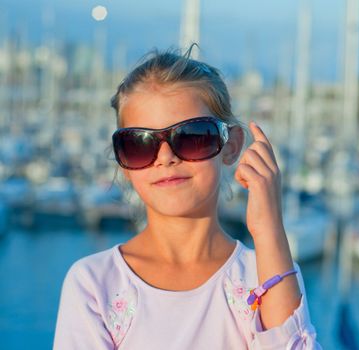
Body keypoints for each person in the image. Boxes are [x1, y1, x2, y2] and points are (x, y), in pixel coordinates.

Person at [53, 45, 321, 349]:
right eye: (140, 144)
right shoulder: (94, 284)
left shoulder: (268, 273)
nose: (165, 157)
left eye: (192, 137)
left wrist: (269, 228)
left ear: (231, 146)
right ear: (123, 161)